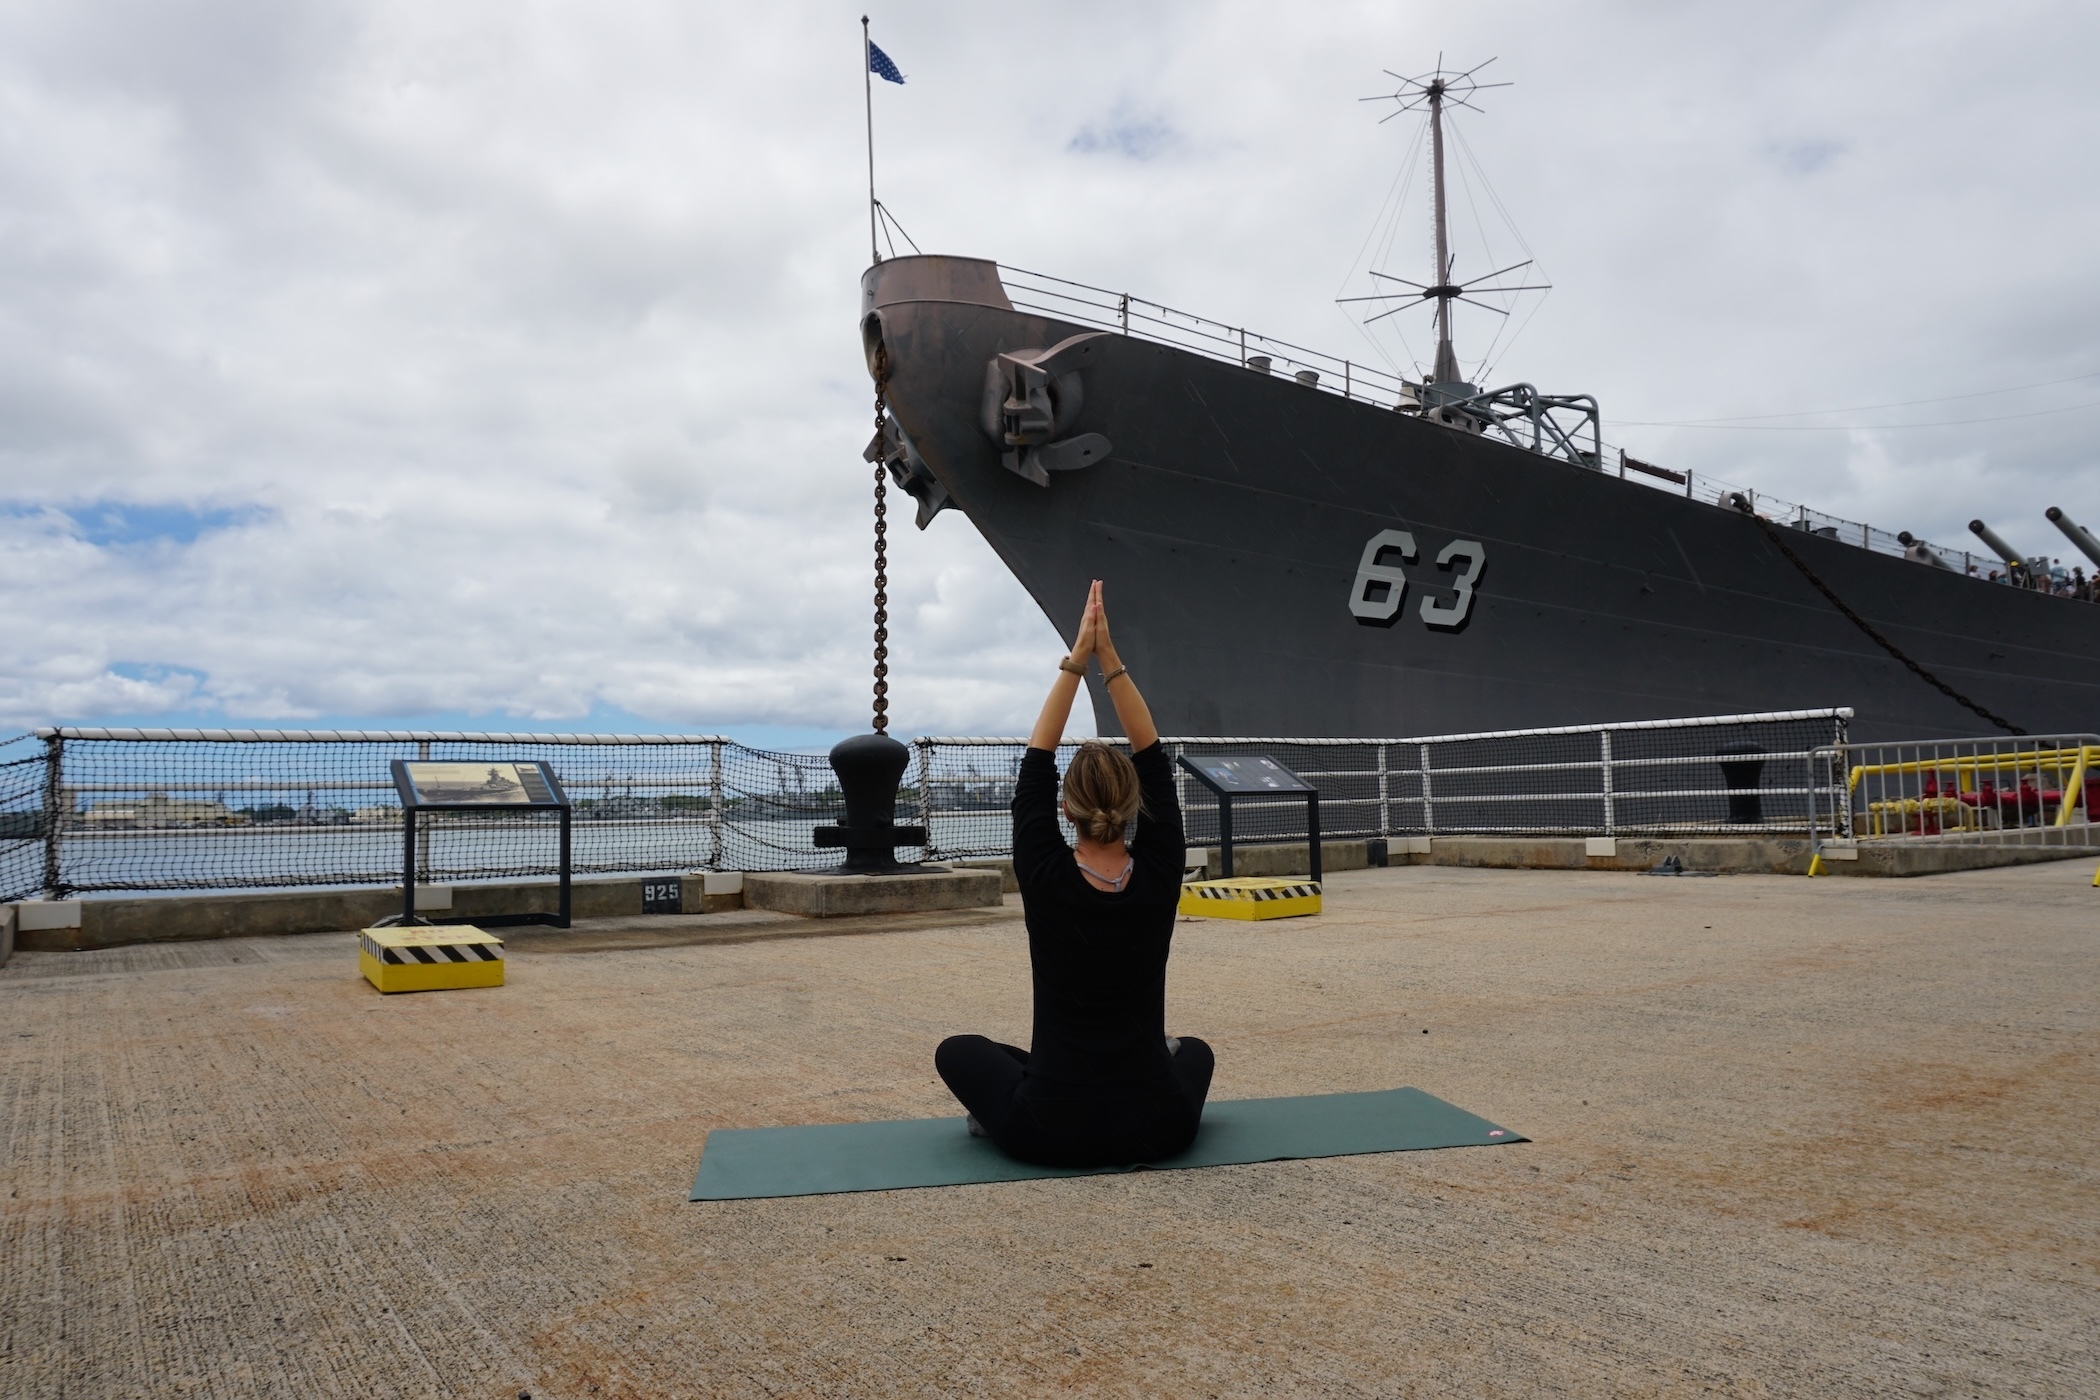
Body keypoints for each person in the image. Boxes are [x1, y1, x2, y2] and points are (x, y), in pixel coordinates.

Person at [934, 580, 1214, 1167]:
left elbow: (1035, 762)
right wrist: (1110, 660)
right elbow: (1154, 758)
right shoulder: (1160, 873)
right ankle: (1141, 1060)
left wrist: (1075, 662)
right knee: (1198, 1054)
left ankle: (1034, 1078)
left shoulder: (1045, 873)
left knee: (960, 1051)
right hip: (1158, 1125)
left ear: (1065, 809)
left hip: (1048, 1125)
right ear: (1138, 806)